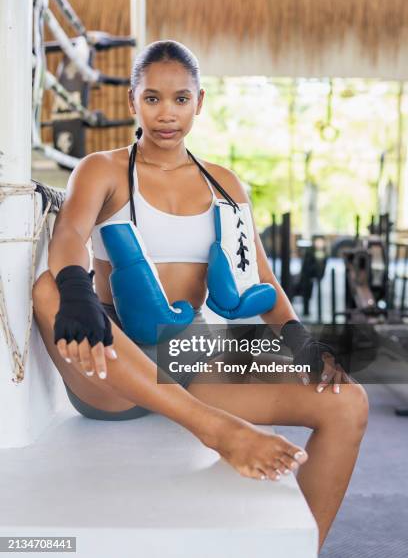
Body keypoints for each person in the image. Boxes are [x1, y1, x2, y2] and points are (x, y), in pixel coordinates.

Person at [32, 40, 368, 551]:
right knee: (47, 288)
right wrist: (77, 290)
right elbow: (70, 236)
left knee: (348, 401)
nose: (167, 114)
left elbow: (260, 274)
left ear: (200, 102)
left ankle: (304, 549)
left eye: (181, 99)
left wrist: (301, 342)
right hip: (115, 365)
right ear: (132, 102)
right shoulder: (101, 169)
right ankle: (219, 431)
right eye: (153, 99)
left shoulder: (224, 184)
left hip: (191, 355)